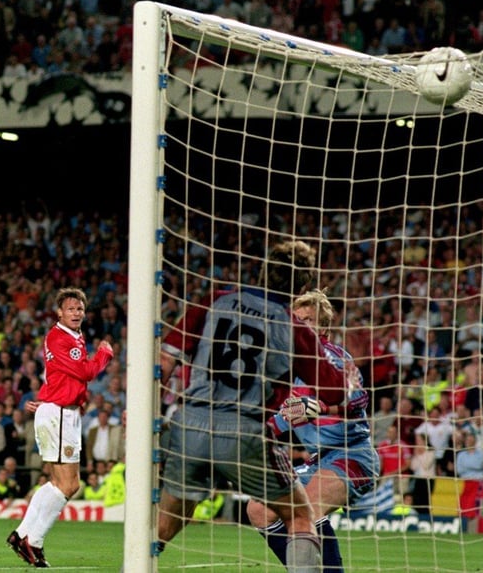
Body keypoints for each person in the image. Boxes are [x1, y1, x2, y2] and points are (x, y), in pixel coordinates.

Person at [156, 240, 350, 573]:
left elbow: (165, 359)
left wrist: (148, 411)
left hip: (190, 425)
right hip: (245, 430)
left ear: (262, 271)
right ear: (300, 287)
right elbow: (334, 392)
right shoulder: (294, 327)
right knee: (300, 516)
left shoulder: (216, 300)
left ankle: (134, 563)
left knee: (170, 520)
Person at [246, 289, 379, 573]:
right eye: (297, 320)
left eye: (308, 320)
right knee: (258, 509)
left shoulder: (333, 357)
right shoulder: (285, 369)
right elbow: (280, 419)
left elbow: (359, 399)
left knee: (308, 506)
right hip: (318, 459)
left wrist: (323, 406)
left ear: (324, 329)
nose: (300, 326)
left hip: (353, 454)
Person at [7, 287, 113, 568]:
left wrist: (76, 398)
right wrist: (104, 355)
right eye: (70, 309)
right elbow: (86, 371)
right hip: (60, 415)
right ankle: (33, 540)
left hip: (62, 411)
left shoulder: (74, 336)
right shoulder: (59, 337)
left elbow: (71, 378)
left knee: (57, 483)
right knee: (70, 484)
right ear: (59, 312)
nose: (76, 313)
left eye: (80, 309)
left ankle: (21, 534)